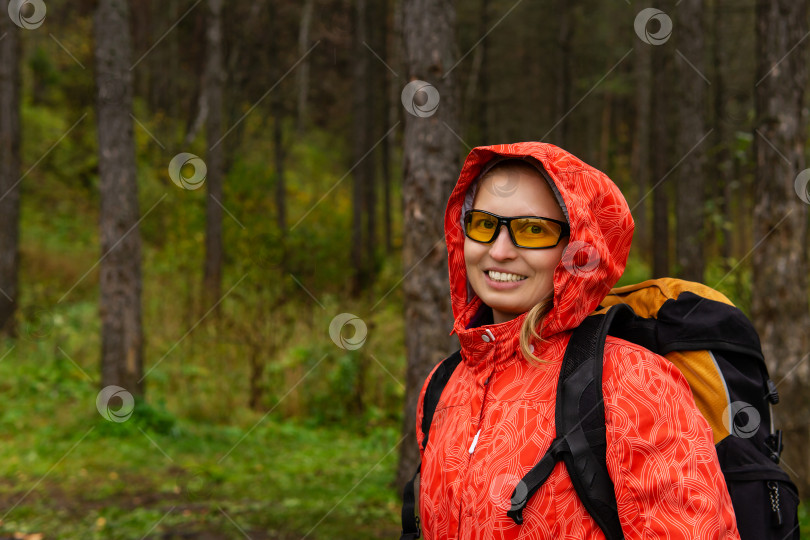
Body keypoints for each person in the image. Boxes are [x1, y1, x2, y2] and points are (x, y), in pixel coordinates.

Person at [415, 142, 740, 539]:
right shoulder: (443, 384)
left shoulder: (634, 383)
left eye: (533, 231)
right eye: (484, 225)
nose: (499, 251)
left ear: (578, 251)